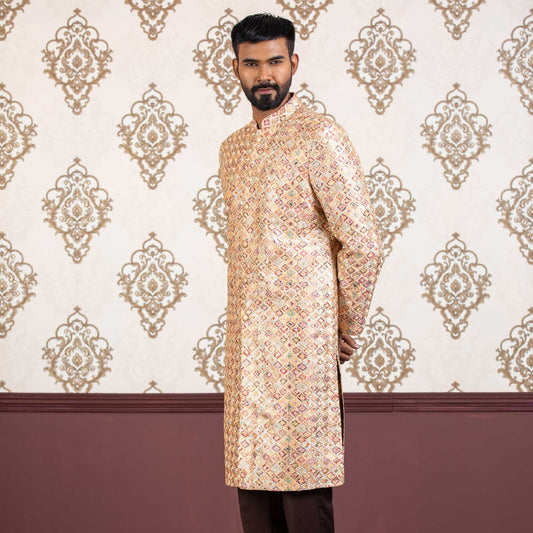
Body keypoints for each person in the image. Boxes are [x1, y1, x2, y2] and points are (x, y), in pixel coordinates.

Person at [218, 13, 384, 533]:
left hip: (302, 350)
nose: (264, 74)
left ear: (293, 63)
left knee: (303, 498)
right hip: (247, 352)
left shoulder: (319, 136)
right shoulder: (233, 150)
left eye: (274, 62)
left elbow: (362, 242)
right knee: (254, 503)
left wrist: (343, 326)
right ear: (236, 68)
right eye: (251, 64)